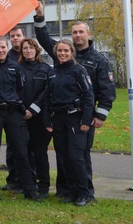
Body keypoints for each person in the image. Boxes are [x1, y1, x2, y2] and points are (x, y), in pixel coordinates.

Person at [34, 3, 116, 201]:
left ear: (88, 34)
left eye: (81, 32)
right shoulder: (63, 55)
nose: (77, 35)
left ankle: (85, 192)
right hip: (62, 117)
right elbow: (44, 39)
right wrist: (40, 16)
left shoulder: (98, 60)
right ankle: (65, 190)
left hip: (84, 116)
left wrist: (100, 114)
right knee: (63, 155)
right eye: (74, 32)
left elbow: (106, 90)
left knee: (80, 155)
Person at [31, 39, 94, 206]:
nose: (62, 53)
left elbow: (89, 97)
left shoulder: (79, 71)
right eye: (60, 51)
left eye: (66, 51)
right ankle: (68, 192)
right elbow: (47, 99)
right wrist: (47, 121)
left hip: (76, 118)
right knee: (63, 157)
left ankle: (83, 193)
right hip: (58, 119)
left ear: (71, 52)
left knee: (76, 157)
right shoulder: (53, 72)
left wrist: (86, 121)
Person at [0, 35, 39, 201]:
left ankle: (29, 189)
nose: (0, 50)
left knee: (21, 150)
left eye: (3, 47)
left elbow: (19, 88)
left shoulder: (15, 66)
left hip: (13, 113)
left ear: (7, 48)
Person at [18, 38, 53, 196]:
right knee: (24, 153)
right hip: (21, 116)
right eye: (25, 48)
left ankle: (43, 185)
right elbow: (12, 90)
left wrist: (33, 109)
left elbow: (47, 92)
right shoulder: (16, 68)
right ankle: (28, 184)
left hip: (39, 118)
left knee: (40, 153)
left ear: (36, 50)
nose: (28, 51)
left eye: (31, 48)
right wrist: (22, 109)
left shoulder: (45, 69)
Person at [2, 25, 26, 191]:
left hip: (30, 109)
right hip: (12, 109)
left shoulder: (30, 53)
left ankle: (29, 179)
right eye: (12, 36)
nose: (15, 38)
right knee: (12, 147)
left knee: (27, 147)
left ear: (23, 36)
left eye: (18, 35)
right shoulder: (7, 57)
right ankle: (13, 180)